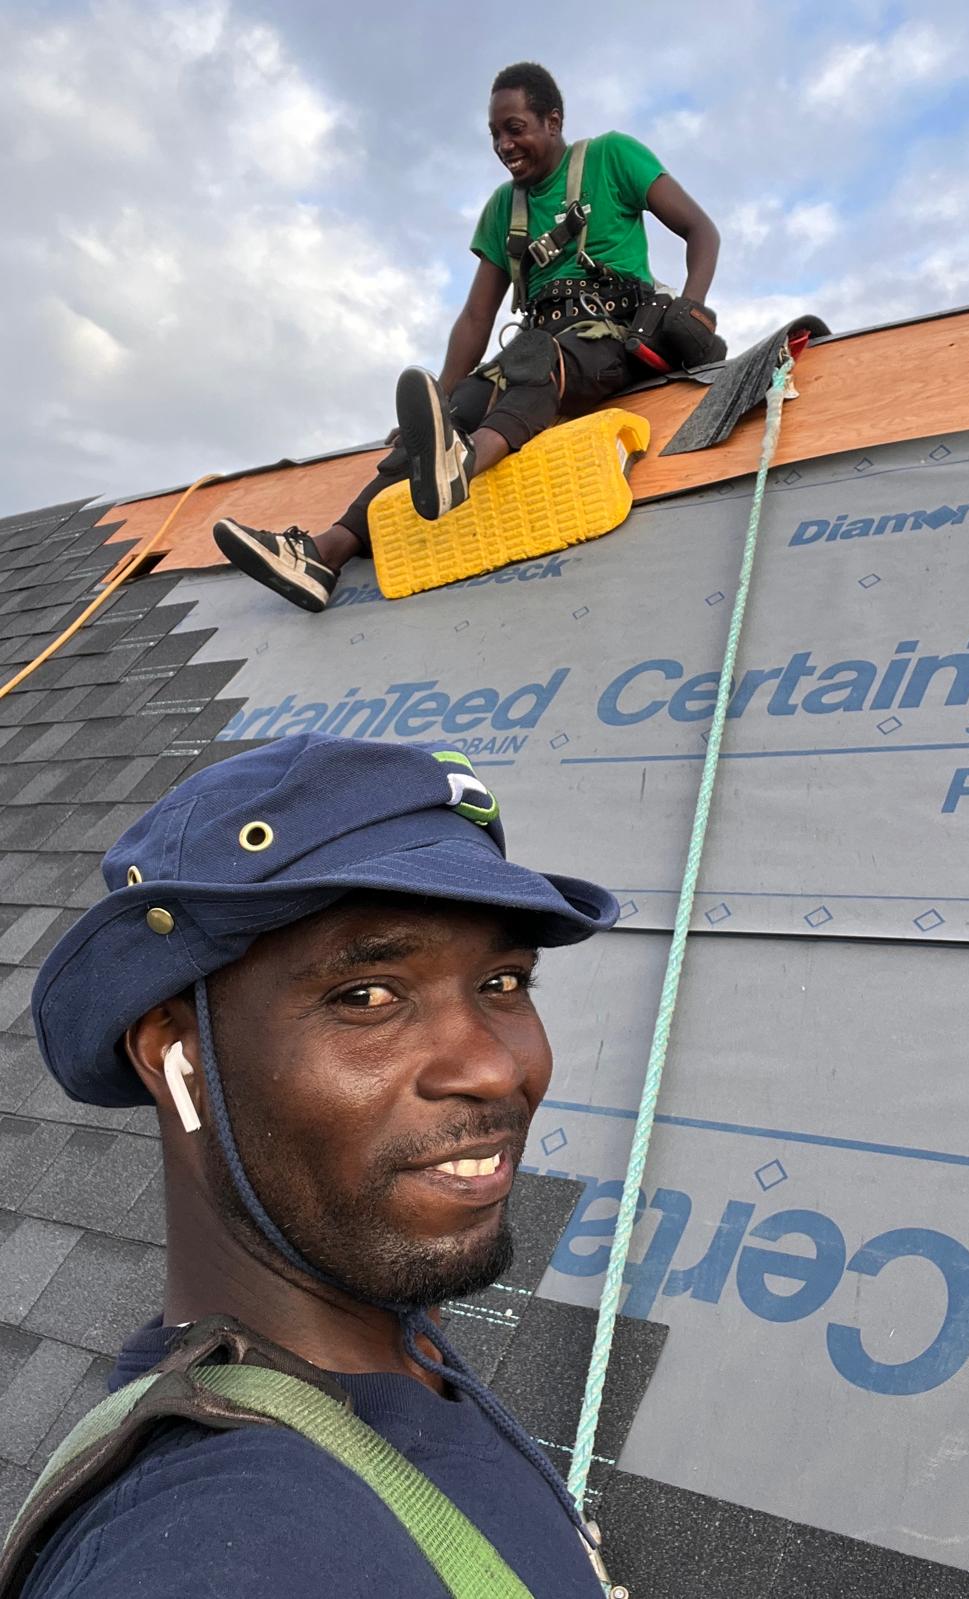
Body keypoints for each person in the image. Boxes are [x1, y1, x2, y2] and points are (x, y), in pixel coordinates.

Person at [11, 735, 621, 1597]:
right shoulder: (207, 1550)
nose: (491, 1067)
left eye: (503, 982)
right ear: (173, 1053)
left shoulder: (393, 1329)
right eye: (368, 994)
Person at [213, 60, 721, 613]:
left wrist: (691, 306)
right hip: (540, 345)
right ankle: (322, 555)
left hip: (610, 337)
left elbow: (701, 230)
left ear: (553, 121)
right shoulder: (506, 208)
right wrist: (439, 406)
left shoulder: (613, 156)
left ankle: (463, 464)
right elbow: (477, 317)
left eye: (516, 128)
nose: (504, 145)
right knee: (448, 416)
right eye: (496, 134)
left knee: (533, 361)